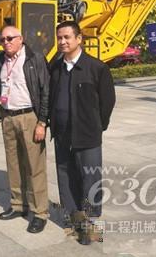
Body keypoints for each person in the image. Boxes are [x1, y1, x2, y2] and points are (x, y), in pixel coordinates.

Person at [49, 21, 115, 244]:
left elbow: (107, 102)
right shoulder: (56, 67)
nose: (62, 41)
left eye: (67, 37)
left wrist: (97, 125)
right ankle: (73, 219)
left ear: (79, 39)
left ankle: (89, 223)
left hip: (87, 135)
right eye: (59, 37)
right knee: (66, 176)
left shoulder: (96, 68)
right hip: (62, 134)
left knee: (90, 179)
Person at [0, 25, 50, 234]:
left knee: (35, 167)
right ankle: (18, 204)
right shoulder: (0, 60)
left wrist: (42, 122)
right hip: (8, 117)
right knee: (14, 164)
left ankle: (40, 212)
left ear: (21, 39)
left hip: (29, 117)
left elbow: (46, 91)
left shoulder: (34, 59)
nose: (6, 42)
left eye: (10, 38)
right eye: (3, 39)